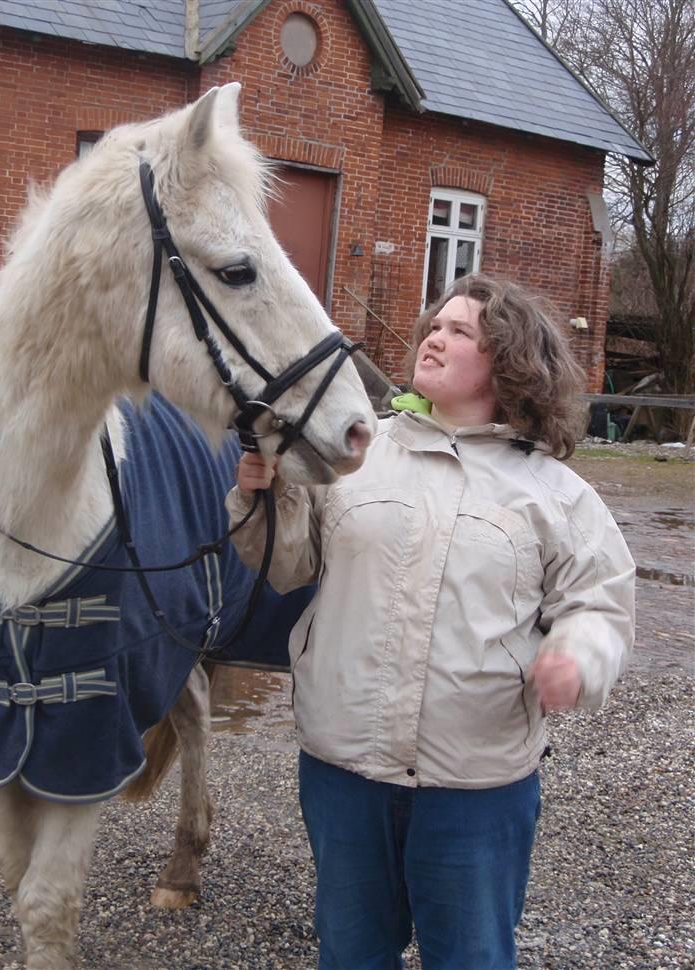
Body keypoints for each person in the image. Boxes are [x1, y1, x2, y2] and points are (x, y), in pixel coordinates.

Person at [225, 273, 635, 970]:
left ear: (509, 361)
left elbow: (600, 603)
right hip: (344, 769)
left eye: (461, 331)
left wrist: (577, 655)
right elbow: (286, 566)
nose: (435, 339)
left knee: (470, 957)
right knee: (351, 954)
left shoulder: (555, 494)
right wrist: (259, 500)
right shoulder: (355, 457)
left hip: (475, 788)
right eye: (434, 326)